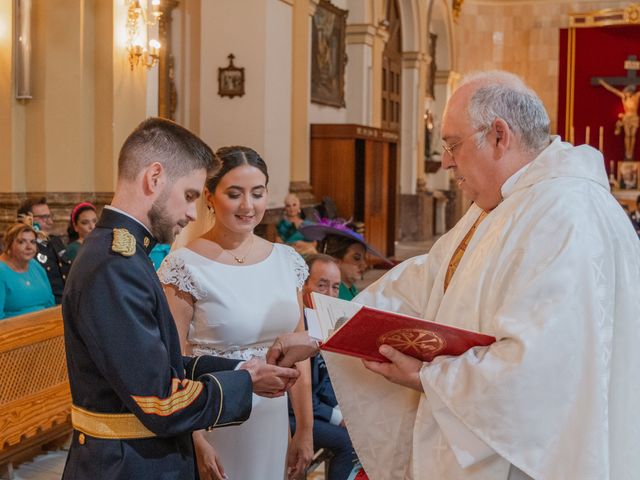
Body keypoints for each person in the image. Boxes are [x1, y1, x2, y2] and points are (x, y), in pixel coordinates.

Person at [270, 71, 640, 479]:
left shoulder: (566, 215)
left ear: (499, 136)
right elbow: (423, 282)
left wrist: (431, 376)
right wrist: (322, 333)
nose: (445, 160)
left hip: (523, 460)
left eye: (453, 144)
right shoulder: (505, 204)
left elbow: (540, 372)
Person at [62, 118, 301, 479]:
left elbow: (165, 362)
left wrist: (241, 369)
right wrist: (247, 383)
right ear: (154, 177)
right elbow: (158, 399)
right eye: (190, 195)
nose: (192, 213)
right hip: (126, 464)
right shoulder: (114, 266)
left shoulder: (126, 256)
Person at [159, 146, 313, 480]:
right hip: (215, 417)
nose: (248, 206)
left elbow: (299, 352)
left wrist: (304, 428)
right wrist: (195, 438)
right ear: (210, 197)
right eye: (234, 194)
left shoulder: (288, 262)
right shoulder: (185, 265)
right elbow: (173, 360)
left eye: (257, 194)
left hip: (272, 422)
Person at [290, 253, 359, 480]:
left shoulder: (328, 321)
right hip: (291, 412)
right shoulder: (296, 326)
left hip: (316, 407)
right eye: (322, 286)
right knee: (347, 442)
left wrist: (345, 411)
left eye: (335, 287)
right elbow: (300, 392)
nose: (330, 295)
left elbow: (328, 381)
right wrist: (337, 418)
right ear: (303, 286)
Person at [300, 219, 391, 301]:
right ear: (336, 261)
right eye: (357, 258)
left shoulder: (351, 288)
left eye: (364, 258)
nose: (364, 265)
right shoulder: (332, 295)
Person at [17, 197, 71, 304]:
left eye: (50, 216)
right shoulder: (25, 249)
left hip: (66, 302)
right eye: (44, 217)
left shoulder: (56, 242)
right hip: (45, 305)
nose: (50, 222)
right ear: (28, 219)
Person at [0, 222, 54, 319]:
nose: (29, 247)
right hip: (14, 331)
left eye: (32, 242)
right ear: (8, 244)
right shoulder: (1, 271)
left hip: (46, 326)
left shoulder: (35, 265)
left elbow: (50, 302)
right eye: (21, 242)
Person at [598, 78, 640, 160]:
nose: (626, 93)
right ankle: (628, 152)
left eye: (627, 92)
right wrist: (603, 83)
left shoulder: (636, 97)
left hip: (634, 118)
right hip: (627, 118)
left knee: (633, 135)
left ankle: (631, 151)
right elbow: (613, 90)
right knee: (628, 135)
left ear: (631, 92)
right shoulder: (624, 97)